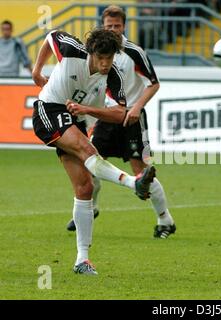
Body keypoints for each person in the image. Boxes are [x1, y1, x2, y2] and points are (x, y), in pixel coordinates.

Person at [32, 28, 156, 275]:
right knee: (86, 148)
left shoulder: (113, 76)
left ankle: (82, 260)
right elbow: (51, 35)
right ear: (91, 53)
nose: (105, 63)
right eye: (101, 58)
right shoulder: (70, 50)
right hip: (49, 108)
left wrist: (87, 110)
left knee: (85, 187)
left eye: (109, 58)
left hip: (76, 118)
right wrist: (37, 70)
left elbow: (120, 113)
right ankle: (134, 183)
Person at [65, 5, 176, 239]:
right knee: (90, 163)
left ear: (124, 26)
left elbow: (153, 83)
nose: (113, 29)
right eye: (109, 26)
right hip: (107, 116)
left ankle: (165, 219)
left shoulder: (133, 52)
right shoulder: (96, 51)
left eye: (117, 26)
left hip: (132, 119)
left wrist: (136, 107)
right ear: (102, 26)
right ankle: (90, 208)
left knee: (141, 171)